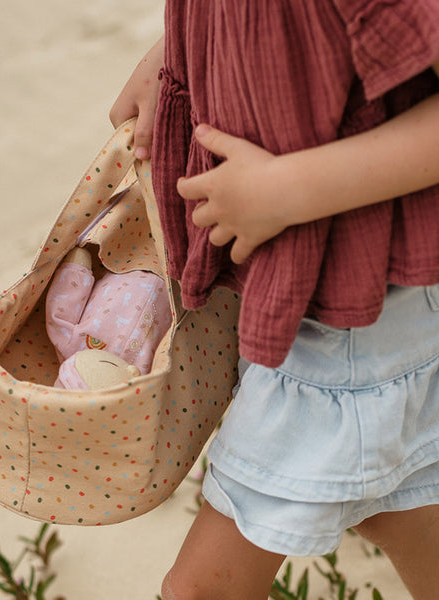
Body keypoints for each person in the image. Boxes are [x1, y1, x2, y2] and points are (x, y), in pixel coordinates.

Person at [110, 2, 439, 599]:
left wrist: (288, 190)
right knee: (401, 509)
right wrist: (174, 50)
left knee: (202, 591)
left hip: (348, 327)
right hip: (333, 300)